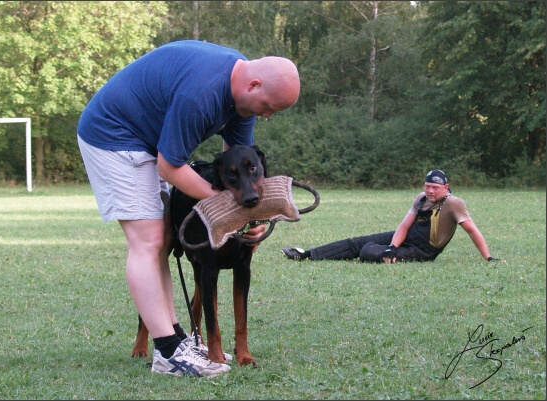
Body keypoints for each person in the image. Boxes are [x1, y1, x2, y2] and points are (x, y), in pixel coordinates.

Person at [77, 40, 300, 377]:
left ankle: (178, 341)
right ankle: (169, 353)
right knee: (149, 241)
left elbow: (235, 161)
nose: (266, 115)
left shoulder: (237, 93)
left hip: (145, 140)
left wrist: (250, 217)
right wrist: (225, 208)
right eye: (268, 106)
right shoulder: (202, 94)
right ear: (253, 85)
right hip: (113, 135)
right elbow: (170, 167)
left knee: (164, 237)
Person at [282, 169, 501, 264]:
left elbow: (472, 230)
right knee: (356, 242)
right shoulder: (420, 198)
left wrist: (488, 258)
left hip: (423, 251)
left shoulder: (454, 203)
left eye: (435, 187)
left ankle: (380, 254)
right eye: (427, 186)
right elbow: (404, 226)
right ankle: (308, 254)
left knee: (367, 250)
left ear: (446, 187)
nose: (430, 191)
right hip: (407, 239)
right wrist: (392, 247)